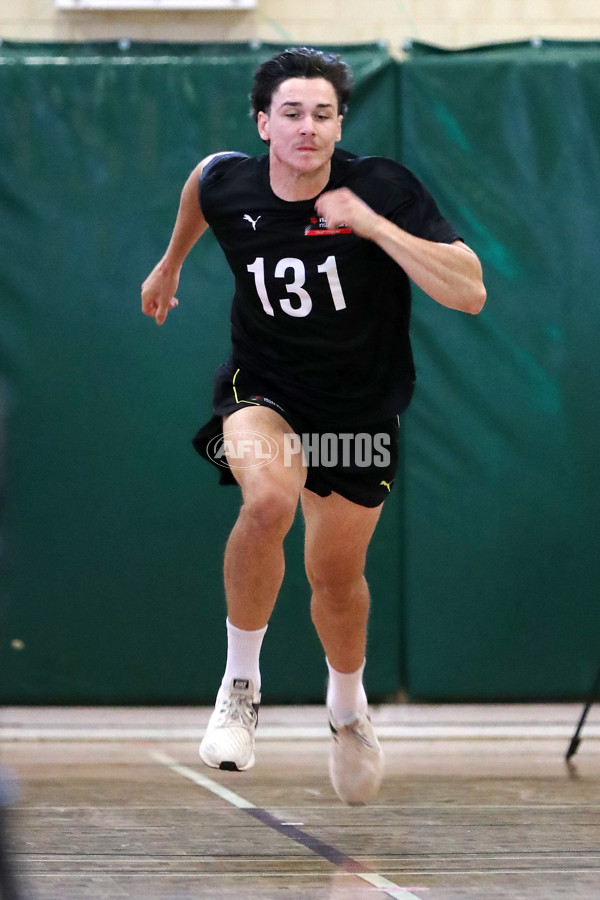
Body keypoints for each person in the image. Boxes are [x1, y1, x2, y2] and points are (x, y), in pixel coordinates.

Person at [141, 47, 486, 805]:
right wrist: (169, 263)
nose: (307, 127)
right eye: (291, 113)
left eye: (323, 114)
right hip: (264, 387)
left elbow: (469, 292)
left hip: (360, 407)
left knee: (335, 579)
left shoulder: (382, 187)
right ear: (264, 122)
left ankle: (347, 707)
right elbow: (203, 182)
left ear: (340, 125)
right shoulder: (231, 182)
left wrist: (373, 227)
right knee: (266, 502)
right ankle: (240, 684)